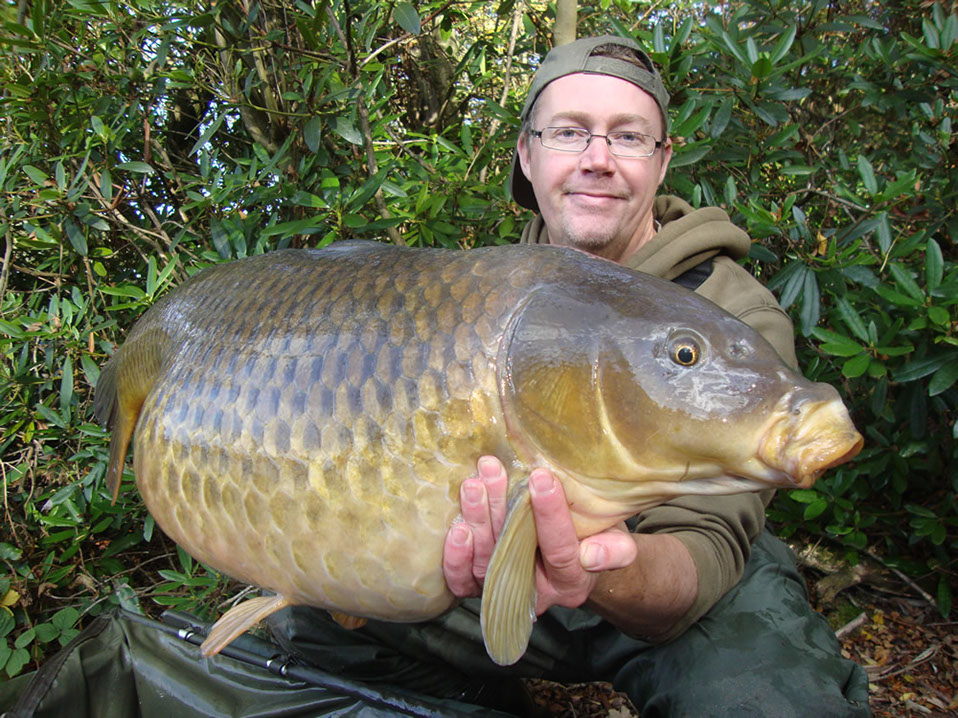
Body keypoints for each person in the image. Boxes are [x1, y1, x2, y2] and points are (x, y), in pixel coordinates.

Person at [267, 35, 871, 717]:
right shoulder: (472, 294)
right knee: (314, 624)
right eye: (570, 132)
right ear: (528, 154)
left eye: (628, 136)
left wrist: (590, 565)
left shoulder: (734, 313)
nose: (598, 160)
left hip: (676, 587)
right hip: (497, 567)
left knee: (772, 703)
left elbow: (704, 548)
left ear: (662, 160)